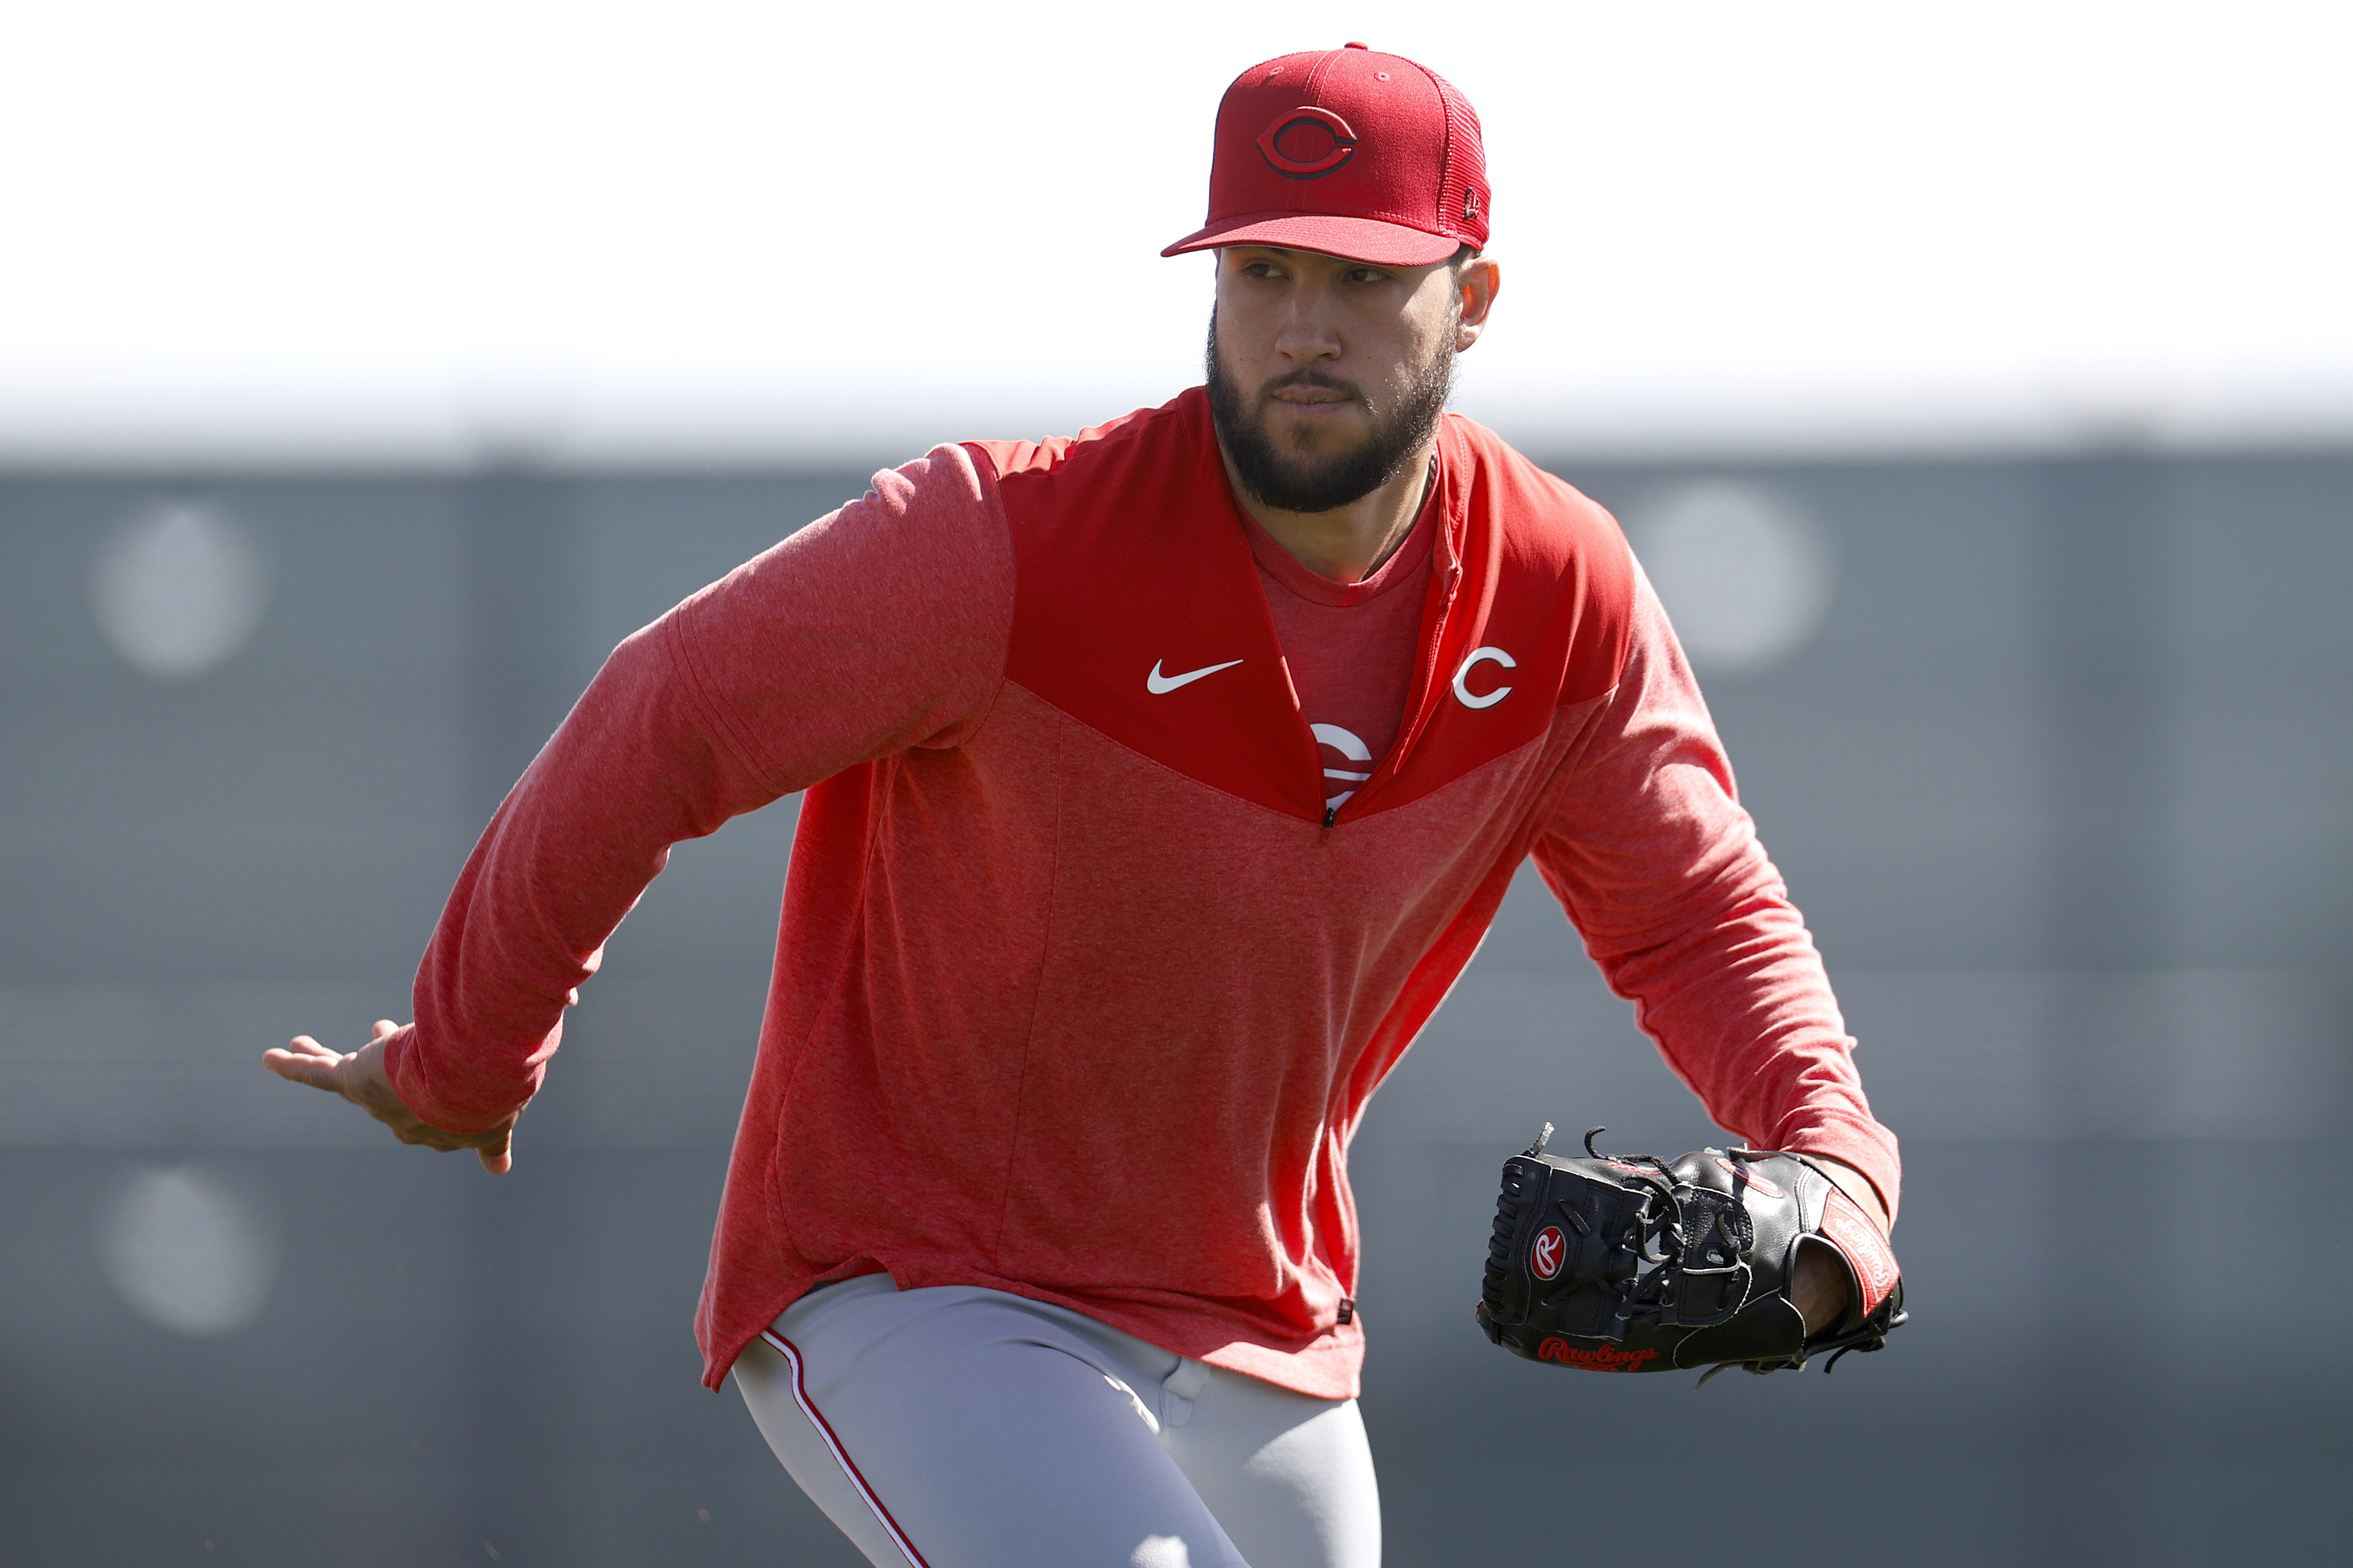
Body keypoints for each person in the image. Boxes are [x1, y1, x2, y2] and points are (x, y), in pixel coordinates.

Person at [265, 43, 1898, 1568]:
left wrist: (1835, 1167)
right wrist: (472, 1051)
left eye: (1361, 277)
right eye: (1263, 271)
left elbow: (1699, 918)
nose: (1302, 327)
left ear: (1473, 299)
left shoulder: (1564, 596)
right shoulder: (1001, 547)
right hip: (927, 1287)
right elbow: (657, 721)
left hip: (1264, 1325)